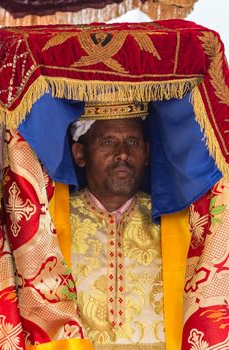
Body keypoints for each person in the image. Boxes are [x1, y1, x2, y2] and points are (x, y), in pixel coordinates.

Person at [68, 101, 165, 349]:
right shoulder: (51, 223)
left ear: (146, 152)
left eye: (133, 143)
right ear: (80, 154)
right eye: (108, 142)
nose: (123, 153)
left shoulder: (174, 222)